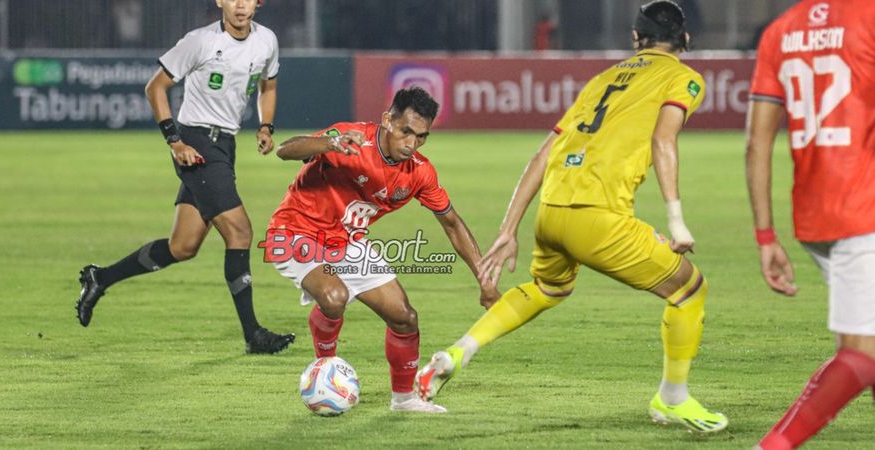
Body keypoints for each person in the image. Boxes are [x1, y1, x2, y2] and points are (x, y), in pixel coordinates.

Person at [416, 0, 728, 432]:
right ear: (686, 41)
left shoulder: (603, 79)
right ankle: (672, 399)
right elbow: (663, 140)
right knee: (689, 290)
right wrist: (675, 220)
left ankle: (457, 352)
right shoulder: (684, 77)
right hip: (598, 217)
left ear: (636, 39)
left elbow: (544, 151)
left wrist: (510, 228)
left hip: (552, 212)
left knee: (547, 287)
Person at [75, 0, 295, 355]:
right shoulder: (200, 41)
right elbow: (155, 87)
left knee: (183, 246)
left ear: (259, 2)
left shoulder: (267, 40)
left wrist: (265, 126)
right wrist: (174, 141)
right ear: (219, 1)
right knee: (240, 231)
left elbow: (268, 85)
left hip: (225, 146)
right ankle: (253, 334)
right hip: (196, 144)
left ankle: (101, 278)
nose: (240, 4)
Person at [265, 87, 498, 413]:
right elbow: (286, 150)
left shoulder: (419, 171)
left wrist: (484, 279)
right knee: (334, 297)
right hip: (294, 232)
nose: (411, 144)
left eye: (421, 137)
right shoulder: (352, 139)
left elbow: (453, 224)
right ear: (387, 120)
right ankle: (326, 367)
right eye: (406, 132)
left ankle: (404, 400)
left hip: (346, 242)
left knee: (404, 317)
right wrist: (330, 143)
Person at [746, 1, 875, 448]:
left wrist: (765, 235)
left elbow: (757, 142)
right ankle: (774, 445)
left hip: (814, 218)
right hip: (865, 210)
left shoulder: (780, 31)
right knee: (861, 357)